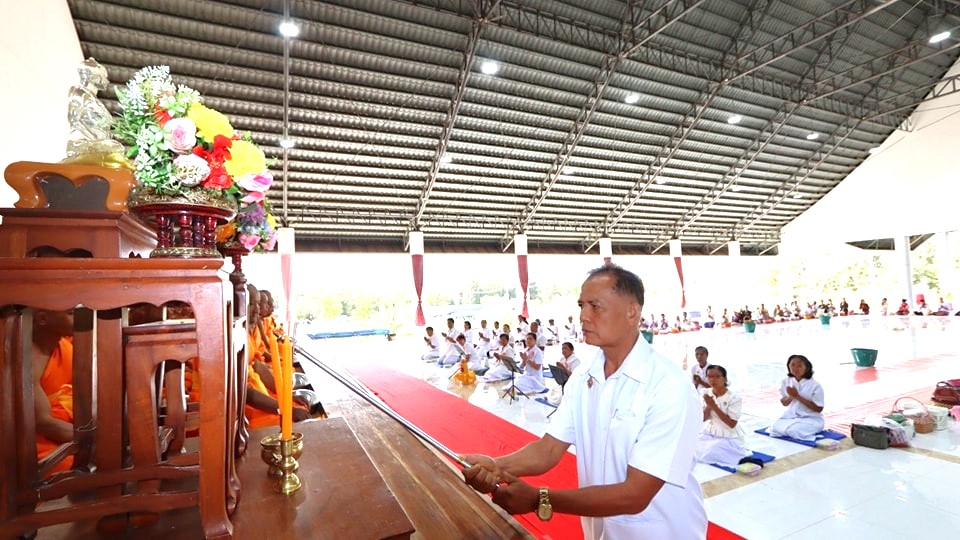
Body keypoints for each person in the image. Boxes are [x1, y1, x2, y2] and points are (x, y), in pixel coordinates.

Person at [460, 265, 706, 539]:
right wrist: (496, 466)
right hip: (599, 531)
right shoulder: (582, 377)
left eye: (595, 306)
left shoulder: (669, 386)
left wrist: (540, 499)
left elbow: (635, 495)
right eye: (581, 306)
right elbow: (548, 450)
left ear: (632, 312)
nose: (583, 316)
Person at [32, 309, 77, 475]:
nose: (81, 316)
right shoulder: (28, 359)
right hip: (37, 443)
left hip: (69, 433)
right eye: (71, 313)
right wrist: (97, 438)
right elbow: (42, 423)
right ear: (43, 318)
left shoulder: (66, 347)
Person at [64, 57, 128, 166]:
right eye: (103, 77)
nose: (106, 81)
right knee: (113, 149)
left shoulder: (95, 100)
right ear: (94, 77)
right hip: (82, 142)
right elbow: (74, 119)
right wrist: (95, 140)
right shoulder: (79, 92)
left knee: (116, 149)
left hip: (98, 143)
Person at [696, 365, 750, 469]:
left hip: (729, 436)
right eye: (709, 376)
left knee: (711, 451)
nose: (712, 380)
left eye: (717, 376)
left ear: (724, 378)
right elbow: (704, 418)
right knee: (692, 446)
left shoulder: (734, 397)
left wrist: (714, 406)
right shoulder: (706, 393)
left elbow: (732, 424)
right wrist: (708, 406)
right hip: (710, 432)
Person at [768, 355, 824, 441]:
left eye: (799, 366)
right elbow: (784, 403)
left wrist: (797, 396)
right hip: (790, 417)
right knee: (774, 427)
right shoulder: (786, 381)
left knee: (794, 431)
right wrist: (791, 397)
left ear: (807, 368)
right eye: (792, 365)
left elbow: (818, 409)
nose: (795, 368)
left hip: (811, 419)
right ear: (788, 366)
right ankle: (791, 430)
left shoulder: (815, 385)